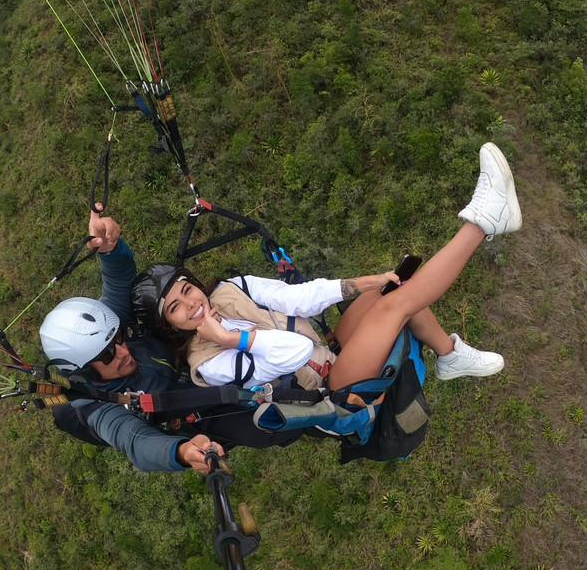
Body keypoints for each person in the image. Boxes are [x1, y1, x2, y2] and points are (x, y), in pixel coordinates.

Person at [137, 142, 521, 393]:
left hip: (330, 349)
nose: (191, 304)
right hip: (329, 386)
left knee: (389, 290)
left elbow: (298, 298)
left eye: (186, 289)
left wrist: (367, 281)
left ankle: (450, 356)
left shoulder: (229, 290)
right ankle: (484, 221)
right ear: (170, 326)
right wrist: (227, 339)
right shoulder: (208, 364)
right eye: (175, 308)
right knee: (394, 307)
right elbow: (292, 352)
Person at [38, 208, 303, 474]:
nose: (123, 351)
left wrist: (109, 248)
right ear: (85, 371)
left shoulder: (107, 323)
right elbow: (134, 441)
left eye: (119, 338)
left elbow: (118, 280)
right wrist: (181, 451)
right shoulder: (98, 407)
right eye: (107, 356)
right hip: (191, 409)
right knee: (266, 427)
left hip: (187, 356)